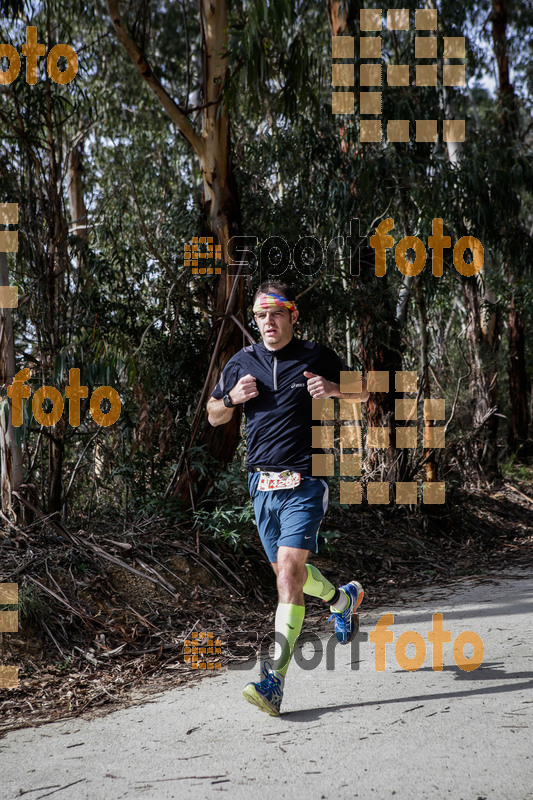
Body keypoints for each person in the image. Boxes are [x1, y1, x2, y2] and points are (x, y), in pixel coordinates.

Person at [207, 281, 369, 716]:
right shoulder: (241, 362)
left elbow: (365, 390)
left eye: (276, 314)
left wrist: (334, 390)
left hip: (306, 480)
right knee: (290, 577)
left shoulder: (316, 355)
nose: (268, 322)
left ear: (292, 316)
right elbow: (212, 413)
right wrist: (231, 398)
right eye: (260, 316)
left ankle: (273, 682)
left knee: (287, 577)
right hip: (261, 486)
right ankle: (342, 600)